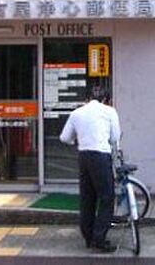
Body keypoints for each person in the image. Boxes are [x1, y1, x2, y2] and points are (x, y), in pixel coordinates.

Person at [59, 85, 121, 253]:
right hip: (101, 156)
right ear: (106, 99)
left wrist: (78, 140)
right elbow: (115, 137)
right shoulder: (109, 111)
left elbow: (64, 137)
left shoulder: (77, 113)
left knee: (88, 197)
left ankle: (88, 237)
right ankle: (99, 238)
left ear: (87, 99)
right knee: (107, 197)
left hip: (84, 156)